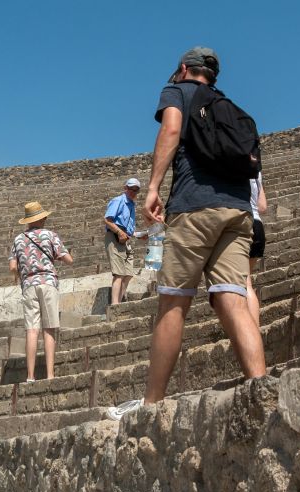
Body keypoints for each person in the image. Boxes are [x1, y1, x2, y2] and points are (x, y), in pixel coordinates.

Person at [109, 47, 266, 419]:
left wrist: (152, 187)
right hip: (239, 210)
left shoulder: (178, 90)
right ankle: (261, 386)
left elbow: (172, 128)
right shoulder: (232, 107)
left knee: (173, 302)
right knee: (233, 298)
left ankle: (151, 405)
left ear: (184, 69)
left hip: (195, 207)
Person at [9, 201, 73, 382]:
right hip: (48, 282)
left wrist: (19, 274)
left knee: (31, 330)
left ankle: (30, 376)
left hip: (28, 285)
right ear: (42, 218)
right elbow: (68, 259)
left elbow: (12, 266)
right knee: (49, 328)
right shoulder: (50, 235)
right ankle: (50, 374)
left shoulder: (18, 239)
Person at [103, 178, 141, 304]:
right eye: (131, 188)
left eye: (136, 190)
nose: (133, 192)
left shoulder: (131, 205)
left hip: (125, 239)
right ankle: (115, 306)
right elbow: (108, 220)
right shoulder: (118, 201)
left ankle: (118, 302)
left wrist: (139, 235)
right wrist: (119, 232)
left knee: (128, 274)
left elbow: (128, 229)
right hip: (114, 237)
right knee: (119, 274)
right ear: (125, 188)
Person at [247, 172, 268, 326]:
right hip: (258, 225)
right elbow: (262, 207)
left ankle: (251, 332)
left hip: (242, 222)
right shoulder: (256, 171)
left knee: (243, 284)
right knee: (246, 281)